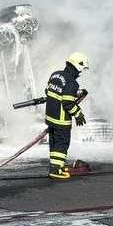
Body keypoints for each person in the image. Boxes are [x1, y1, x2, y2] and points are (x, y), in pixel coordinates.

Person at [44, 51, 89, 180]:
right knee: (62, 144)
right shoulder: (72, 82)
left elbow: (48, 91)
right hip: (61, 120)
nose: (80, 73)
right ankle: (56, 171)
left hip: (50, 117)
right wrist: (79, 114)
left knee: (54, 144)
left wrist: (77, 92)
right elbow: (68, 102)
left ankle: (56, 166)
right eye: (81, 69)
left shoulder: (56, 75)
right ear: (78, 66)